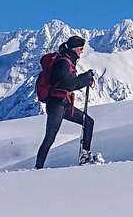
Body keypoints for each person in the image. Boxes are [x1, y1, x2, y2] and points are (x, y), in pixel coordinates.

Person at [35, 35, 102, 169]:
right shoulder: (64, 63)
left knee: (88, 122)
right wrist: (86, 78)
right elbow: (69, 84)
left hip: (64, 104)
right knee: (50, 137)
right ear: (74, 49)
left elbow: (69, 82)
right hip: (57, 105)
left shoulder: (67, 60)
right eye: (81, 49)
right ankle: (38, 167)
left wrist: (85, 78)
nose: (82, 52)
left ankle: (85, 155)